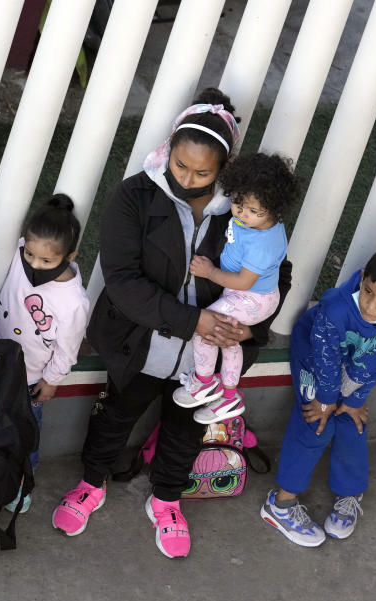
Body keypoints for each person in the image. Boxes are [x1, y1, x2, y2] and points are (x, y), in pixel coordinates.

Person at [51, 88, 290, 559]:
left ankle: (166, 498)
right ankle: (90, 483)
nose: (189, 178)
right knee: (116, 413)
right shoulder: (134, 197)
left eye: (204, 172)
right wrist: (194, 320)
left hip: (214, 346)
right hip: (140, 339)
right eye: (182, 166)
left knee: (186, 426)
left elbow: (274, 270)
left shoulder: (247, 206)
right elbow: (121, 280)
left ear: (225, 167)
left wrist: (251, 327)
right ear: (170, 150)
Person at [260, 244, 376, 547]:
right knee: (316, 422)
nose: (371, 306)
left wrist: (354, 401)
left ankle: (349, 493)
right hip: (315, 354)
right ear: (362, 278)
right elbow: (325, 356)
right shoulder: (336, 308)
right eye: (368, 291)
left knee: (351, 422)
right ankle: (279, 505)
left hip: (357, 364)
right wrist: (326, 398)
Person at [0, 194, 90, 513]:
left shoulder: (74, 302)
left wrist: (52, 381)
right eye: (29, 254)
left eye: (46, 262)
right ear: (24, 243)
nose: (34, 265)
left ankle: (21, 485)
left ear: (70, 256)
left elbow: (67, 350)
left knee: (24, 434)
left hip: (30, 380)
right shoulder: (14, 255)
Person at [173, 153, 298, 424]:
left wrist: (210, 272)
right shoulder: (253, 222)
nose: (243, 213)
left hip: (251, 298)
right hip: (246, 296)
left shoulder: (263, 244)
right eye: (239, 203)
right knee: (228, 340)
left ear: (276, 209)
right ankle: (229, 397)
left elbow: (244, 282)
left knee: (205, 327)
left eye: (255, 211)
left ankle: (205, 381)